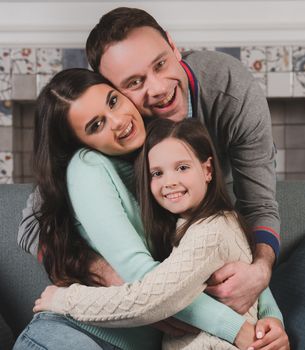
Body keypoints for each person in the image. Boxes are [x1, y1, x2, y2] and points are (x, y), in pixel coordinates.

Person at [19, 7, 280, 315]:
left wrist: (260, 273)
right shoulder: (110, 131)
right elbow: (31, 227)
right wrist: (116, 280)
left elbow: (259, 205)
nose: (158, 89)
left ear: (173, 45)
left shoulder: (228, 88)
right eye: (134, 83)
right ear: (110, 90)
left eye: (160, 64)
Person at [14, 68, 285, 350]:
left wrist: (271, 318)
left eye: (113, 101)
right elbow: (145, 279)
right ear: (81, 143)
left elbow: (225, 242)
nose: (119, 122)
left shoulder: (161, 164)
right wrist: (239, 330)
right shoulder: (87, 167)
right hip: (73, 335)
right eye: (96, 126)